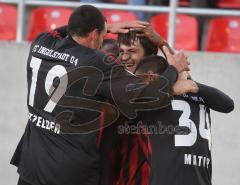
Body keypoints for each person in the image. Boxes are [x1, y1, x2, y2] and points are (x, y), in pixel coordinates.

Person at [10, 5, 190, 185]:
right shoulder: (97, 64)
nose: (124, 56)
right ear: (94, 34)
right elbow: (150, 94)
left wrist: (106, 27)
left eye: (131, 51)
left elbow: (62, 31)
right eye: (104, 35)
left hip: (31, 165)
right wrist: (173, 67)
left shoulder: (41, 43)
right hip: (70, 173)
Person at [132, 53, 234, 185]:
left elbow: (228, 105)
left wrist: (194, 86)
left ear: (151, 77)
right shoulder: (155, 100)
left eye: (140, 80)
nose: (138, 86)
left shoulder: (193, 92)